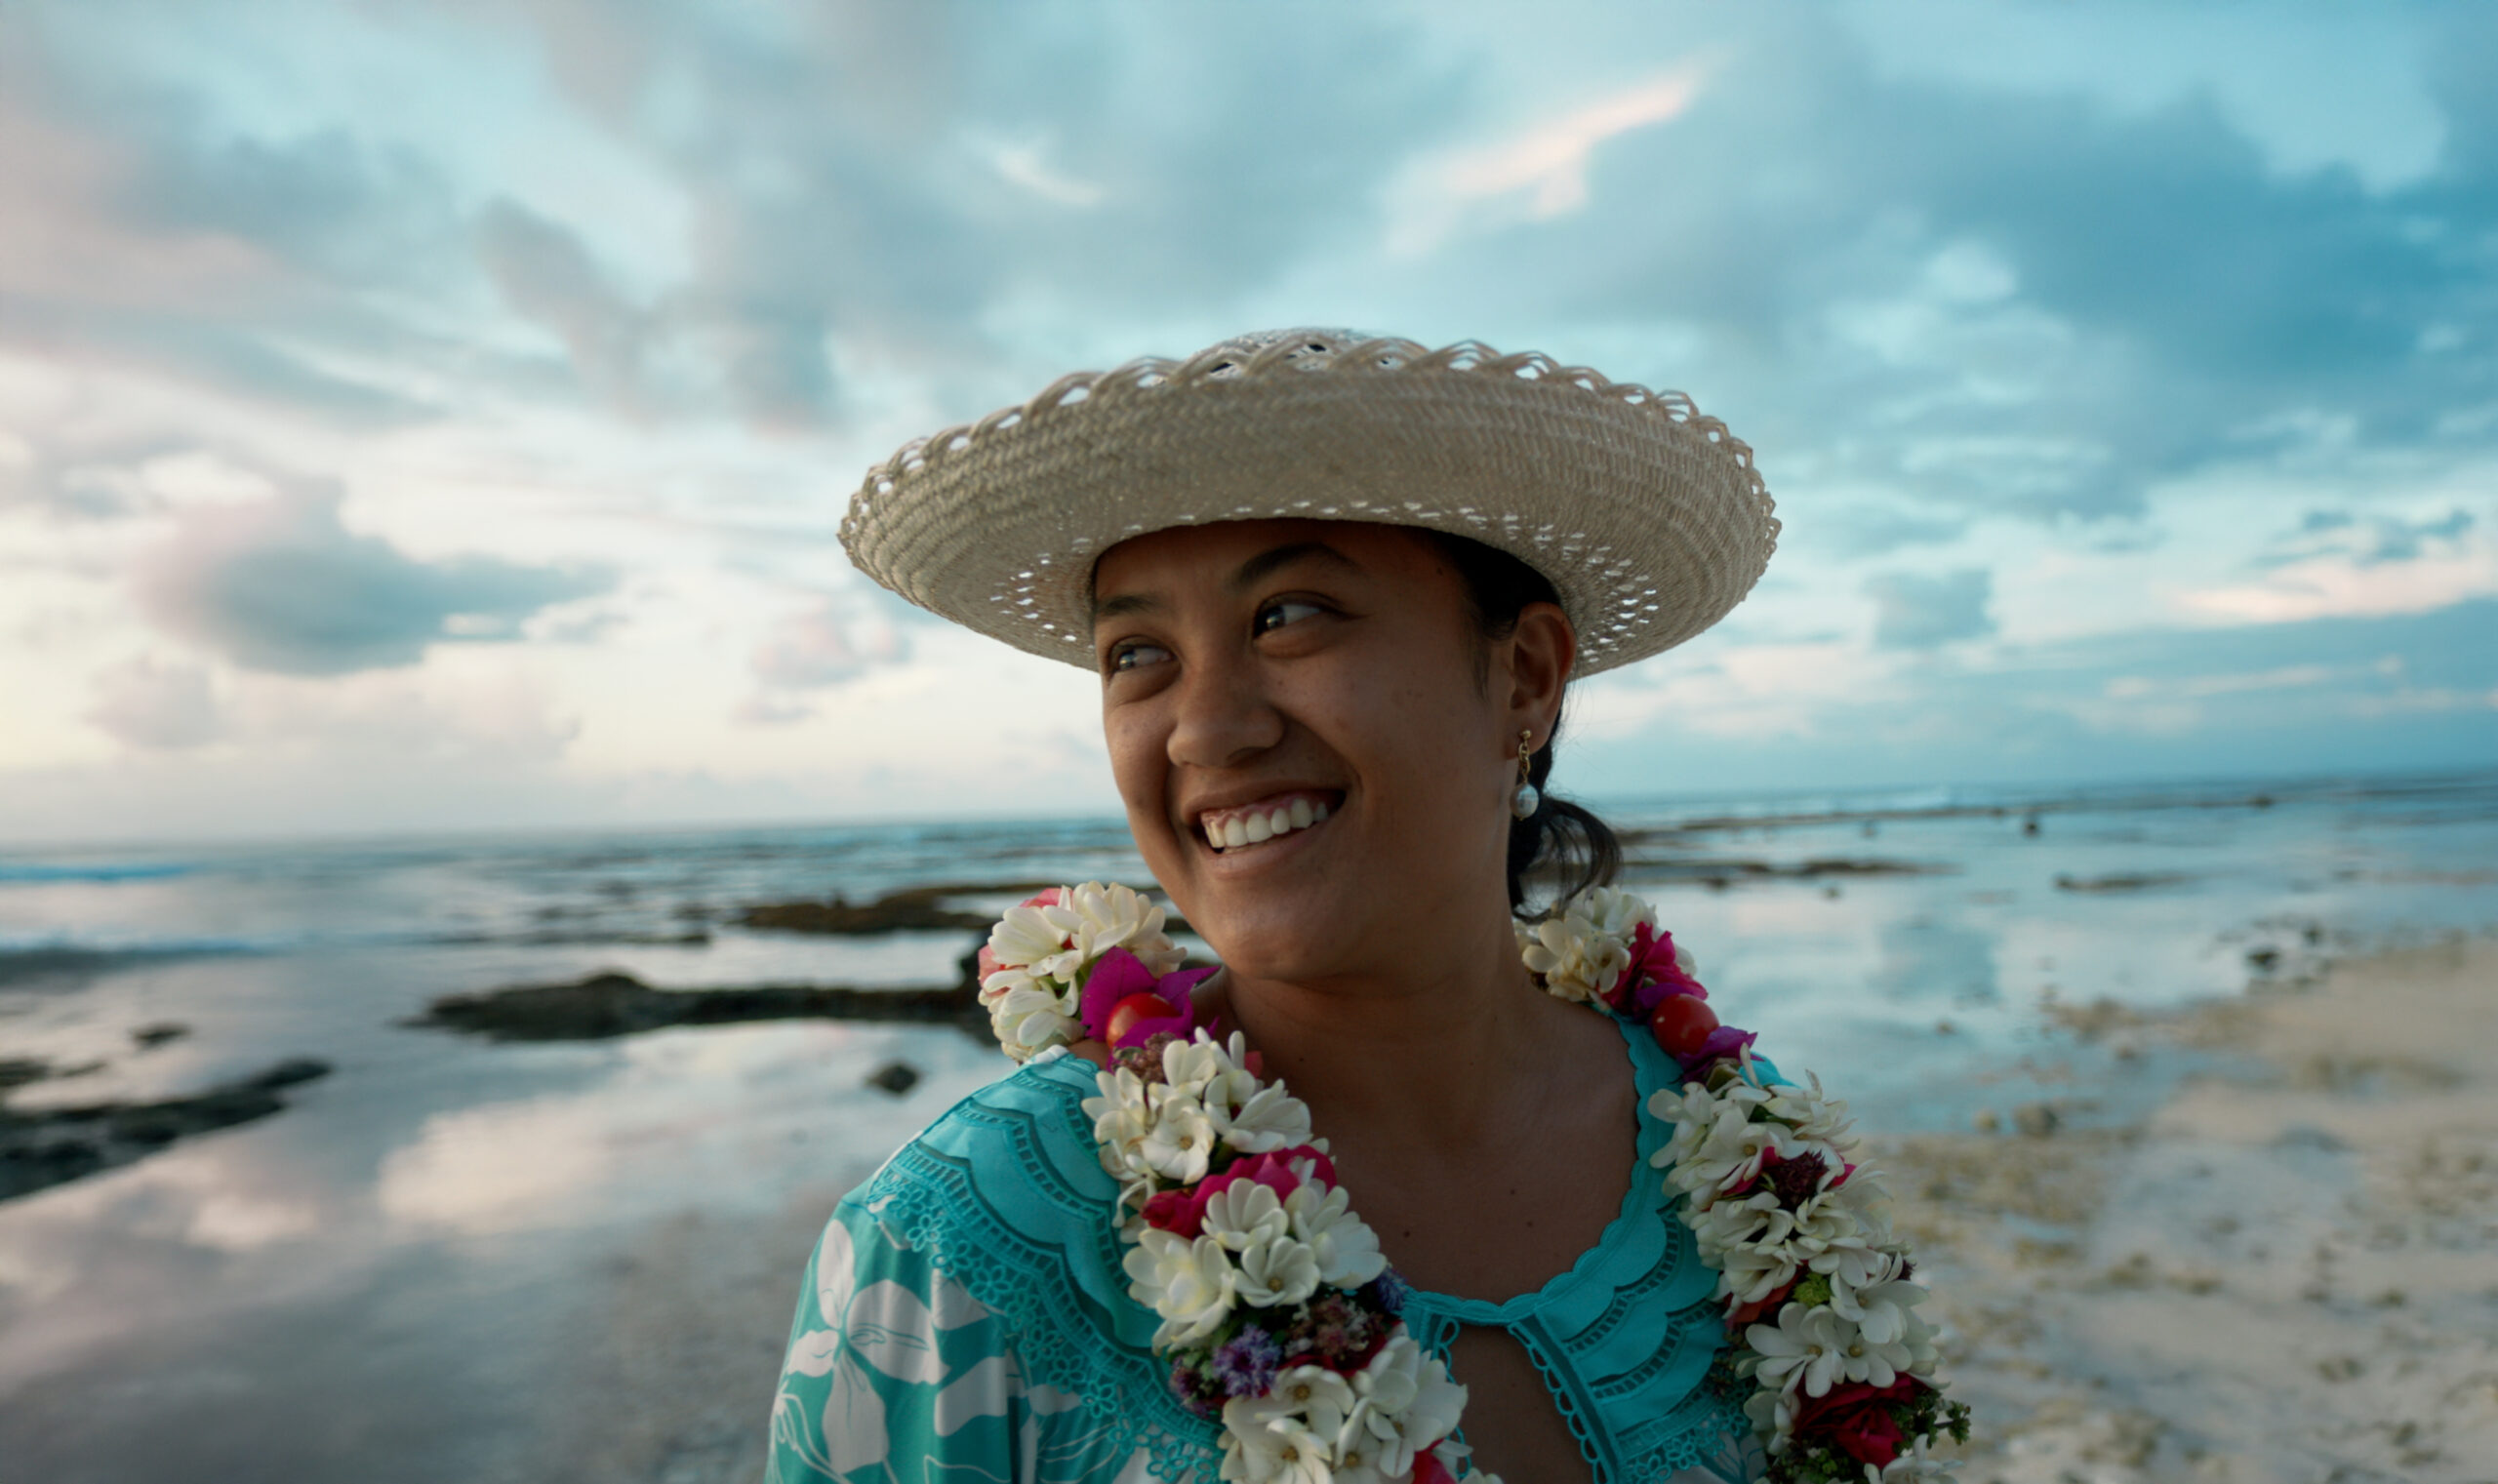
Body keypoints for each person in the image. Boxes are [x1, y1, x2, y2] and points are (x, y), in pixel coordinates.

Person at [767, 329, 1787, 1483]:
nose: (1206, 730)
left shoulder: (1751, 1162)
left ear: (1526, 677)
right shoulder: (956, 1249)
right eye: (1137, 652)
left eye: (1288, 616)